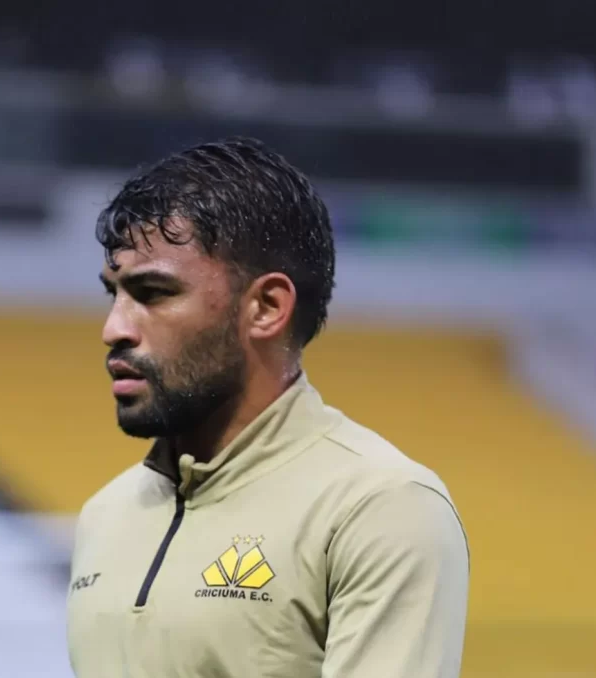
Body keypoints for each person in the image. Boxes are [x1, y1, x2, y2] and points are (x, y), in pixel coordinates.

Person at [66, 137, 469, 677]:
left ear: (267, 307)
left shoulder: (379, 508)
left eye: (153, 292)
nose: (113, 328)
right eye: (113, 293)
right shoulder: (104, 515)